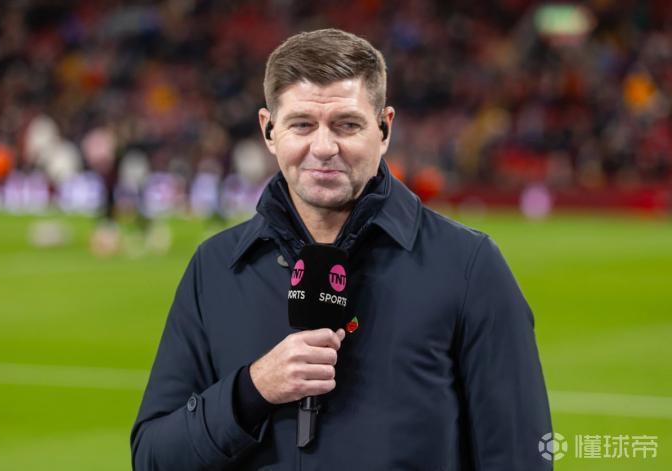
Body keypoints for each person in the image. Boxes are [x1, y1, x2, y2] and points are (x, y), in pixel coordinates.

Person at [131, 29, 553, 470]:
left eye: (347, 125)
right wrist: (252, 390)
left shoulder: (468, 267)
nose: (324, 147)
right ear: (269, 130)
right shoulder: (215, 268)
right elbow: (153, 458)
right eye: (302, 124)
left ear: (384, 128)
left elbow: (521, 457)